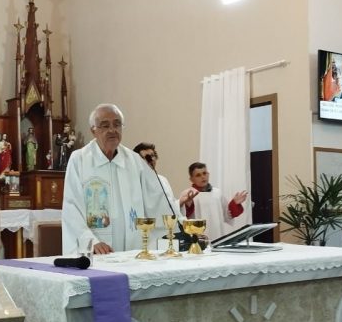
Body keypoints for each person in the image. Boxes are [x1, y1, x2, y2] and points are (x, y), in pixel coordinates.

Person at [62, 103, 172, 255]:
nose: (112, 130)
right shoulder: (79, 160)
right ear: (93, 130)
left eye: (117, 124)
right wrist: (90, 242)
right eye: (105, 125)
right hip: (97, 252)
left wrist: (179, 231)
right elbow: (71, 207)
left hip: (133, 251)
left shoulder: (134, 161)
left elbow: (158, 202)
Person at [179, 162, 247, 242]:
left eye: (204, 173)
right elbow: (183, 216)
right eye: (198, 175)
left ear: (208, 174)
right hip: (198, 238)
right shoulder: (188, 194)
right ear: (191, 179)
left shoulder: (217, 193)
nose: (203, 177)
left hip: (218, 235)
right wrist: (188, 204)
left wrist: (235, 203)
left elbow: (227, 215)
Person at [133, 142, 178, 212]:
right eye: (146, 157)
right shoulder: (136, 181)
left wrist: (182, 201)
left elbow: (171, 203)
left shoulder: (162, 180)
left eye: (152, 156)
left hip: (166, 221)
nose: (151, 159)